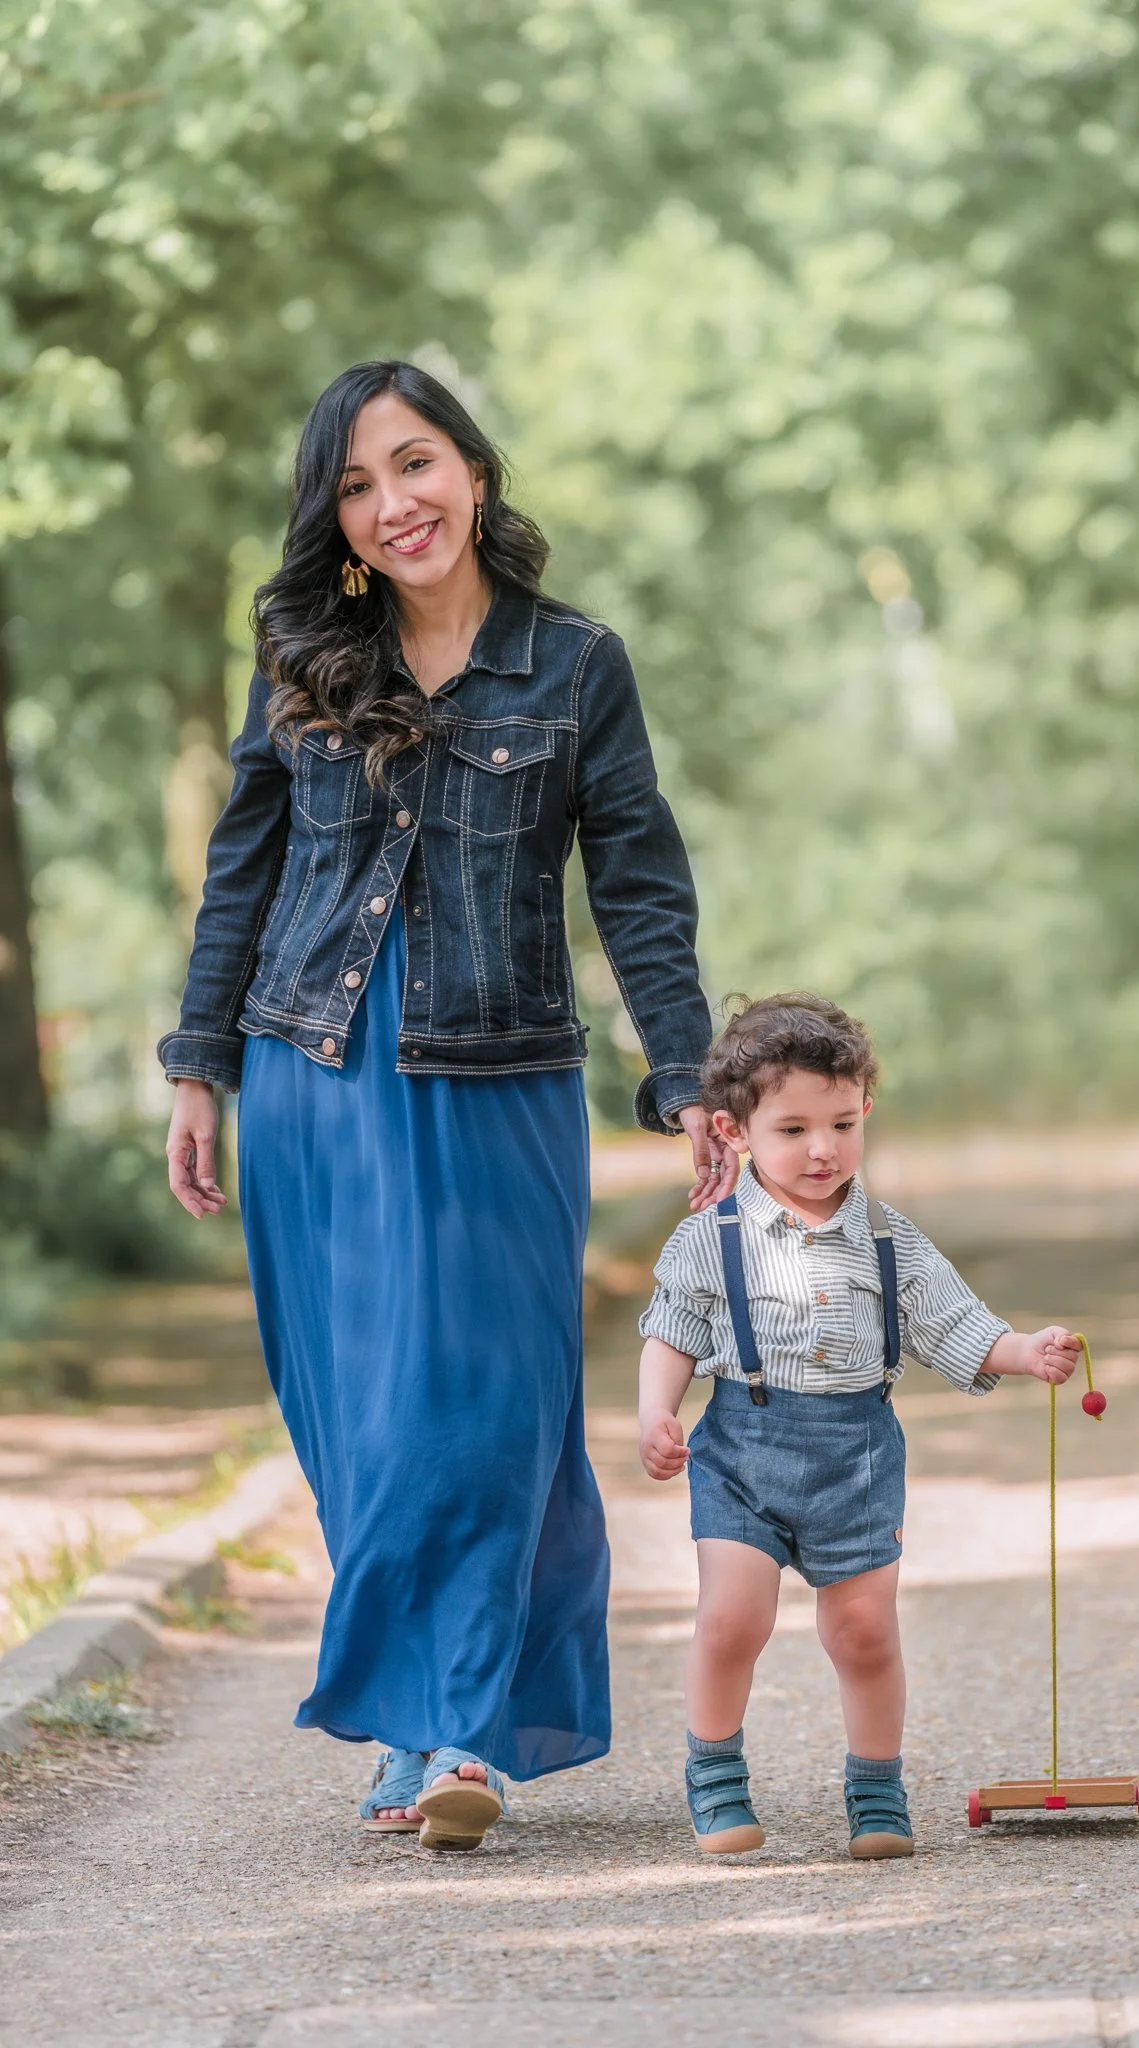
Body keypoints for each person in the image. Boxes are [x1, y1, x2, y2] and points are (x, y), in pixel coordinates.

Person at [161, 359, 737, 1849]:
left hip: (499, 1077)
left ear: (471, 471)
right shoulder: (299, 652)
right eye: (355, 484)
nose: (392, 502)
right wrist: (198, 1064)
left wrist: (686, 1078)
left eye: (413, 464)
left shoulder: (576, 663)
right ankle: (422, 1723)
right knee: (362, 1417)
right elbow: (245, 863)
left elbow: (637, 885)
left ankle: (460, 1726)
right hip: (314, 1074)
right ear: (335, 522)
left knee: (483, 1410)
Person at [637, 994, 1080, 1859]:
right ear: (733, 1132)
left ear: (866, 1112)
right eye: (794, 1129)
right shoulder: (711, 1237)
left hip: (858, 1454)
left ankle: (876, 1789)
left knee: (865, 1632)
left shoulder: (888, 1238)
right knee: (733, 1618)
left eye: (841, 1124)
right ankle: (717, 1776)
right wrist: (657, 1411)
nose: (822, 1149)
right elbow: (672, 1329)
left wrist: (1025, 1350)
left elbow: (954, 1324)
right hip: (742, 1450)